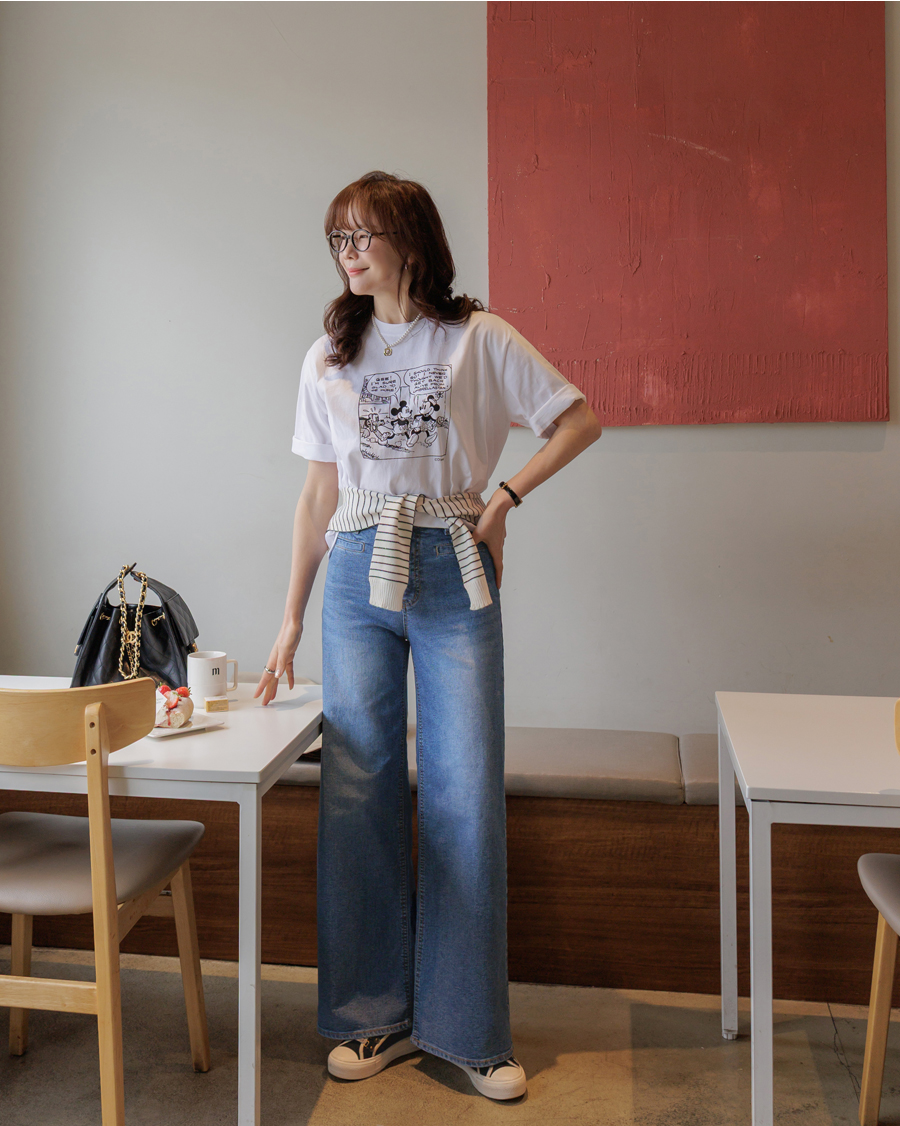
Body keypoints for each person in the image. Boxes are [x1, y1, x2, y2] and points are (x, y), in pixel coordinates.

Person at [255, 171, 602, 1100]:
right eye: (337, 239)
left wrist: (506, 497)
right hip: (355, 569)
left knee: (464, 789)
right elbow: (319, 493)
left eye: (362, 236)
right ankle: (371, 1015)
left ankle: (469, 1030)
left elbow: (579, 418)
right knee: (357, 789)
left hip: (452, 558)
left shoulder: (477, 337)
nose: (347, 254)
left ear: (410, 240)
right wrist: (290, 616)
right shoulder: (329, 354)